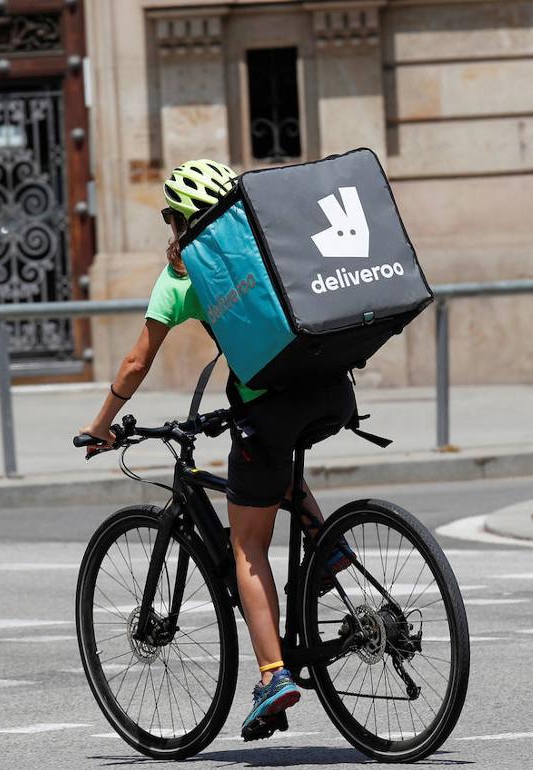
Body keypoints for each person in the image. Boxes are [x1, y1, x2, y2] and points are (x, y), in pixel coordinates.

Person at [77, 159, 357, 739]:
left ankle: (273, 676)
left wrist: (102, 425)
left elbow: (136, 362)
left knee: (247, 544)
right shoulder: (272, 238)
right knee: (274, 467)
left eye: (170, 218)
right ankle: (328, 545)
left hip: (269, 409)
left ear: (181, 221)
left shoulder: (183, 274)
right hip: (332, 388)